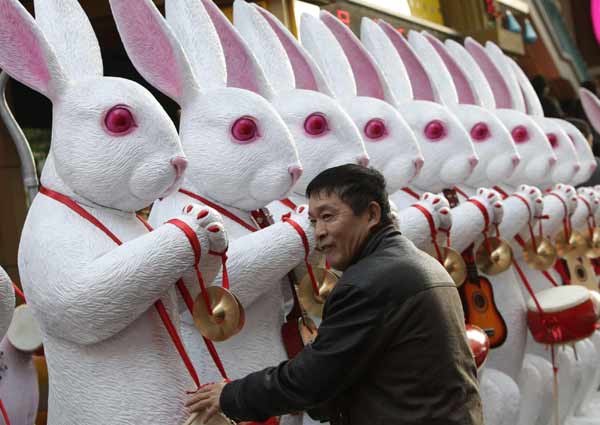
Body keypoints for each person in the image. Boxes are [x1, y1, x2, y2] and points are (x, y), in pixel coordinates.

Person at [187, 164, 483, 425]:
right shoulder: (418, 263)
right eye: (314, 222)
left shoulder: (370, 281)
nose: (319, 232)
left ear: (371, 214)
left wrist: (230, 395)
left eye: (329, 217)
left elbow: (311, 380)